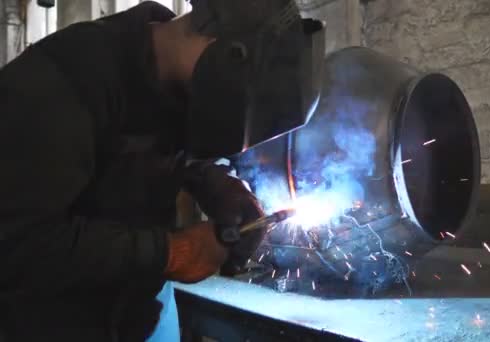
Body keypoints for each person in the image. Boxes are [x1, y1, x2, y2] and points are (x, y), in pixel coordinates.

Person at [0, 0, 324, 341]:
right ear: (227, 54)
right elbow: (16, 243)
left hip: (139, 311)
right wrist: (169, 253)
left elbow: (151, 147)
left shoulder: (178, 79)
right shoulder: (59, 84)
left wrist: (212, 182)